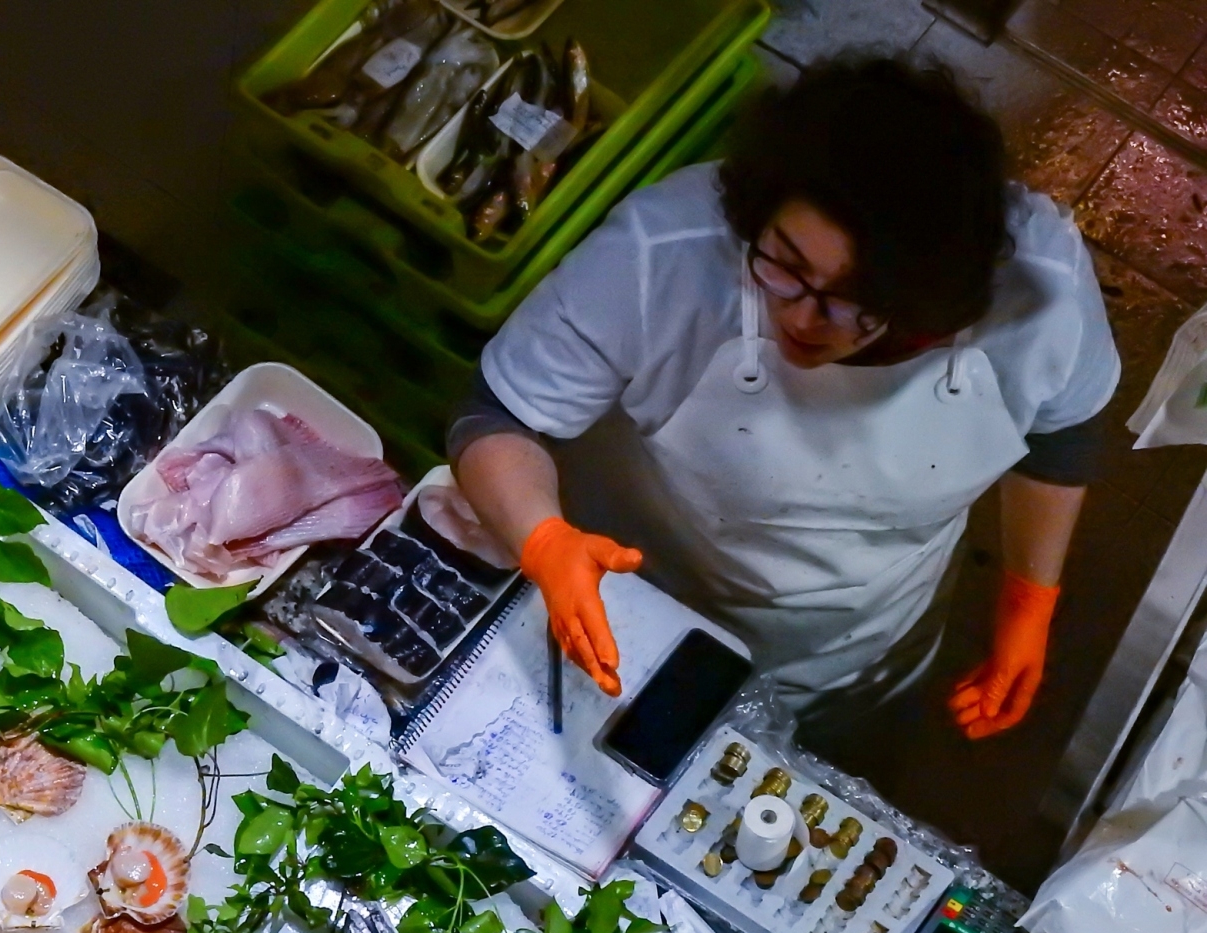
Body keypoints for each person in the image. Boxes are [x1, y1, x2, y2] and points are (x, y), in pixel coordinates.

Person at [450, 57, 1119, 740]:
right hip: (631, 600)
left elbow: (1062, 433)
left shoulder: (1044, 286)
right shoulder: (663, 248)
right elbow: (499, 415)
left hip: (860, 647)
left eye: (856, 302)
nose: (804, 318)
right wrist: (544, 539)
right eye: (786, 267)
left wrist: (1029, 601)